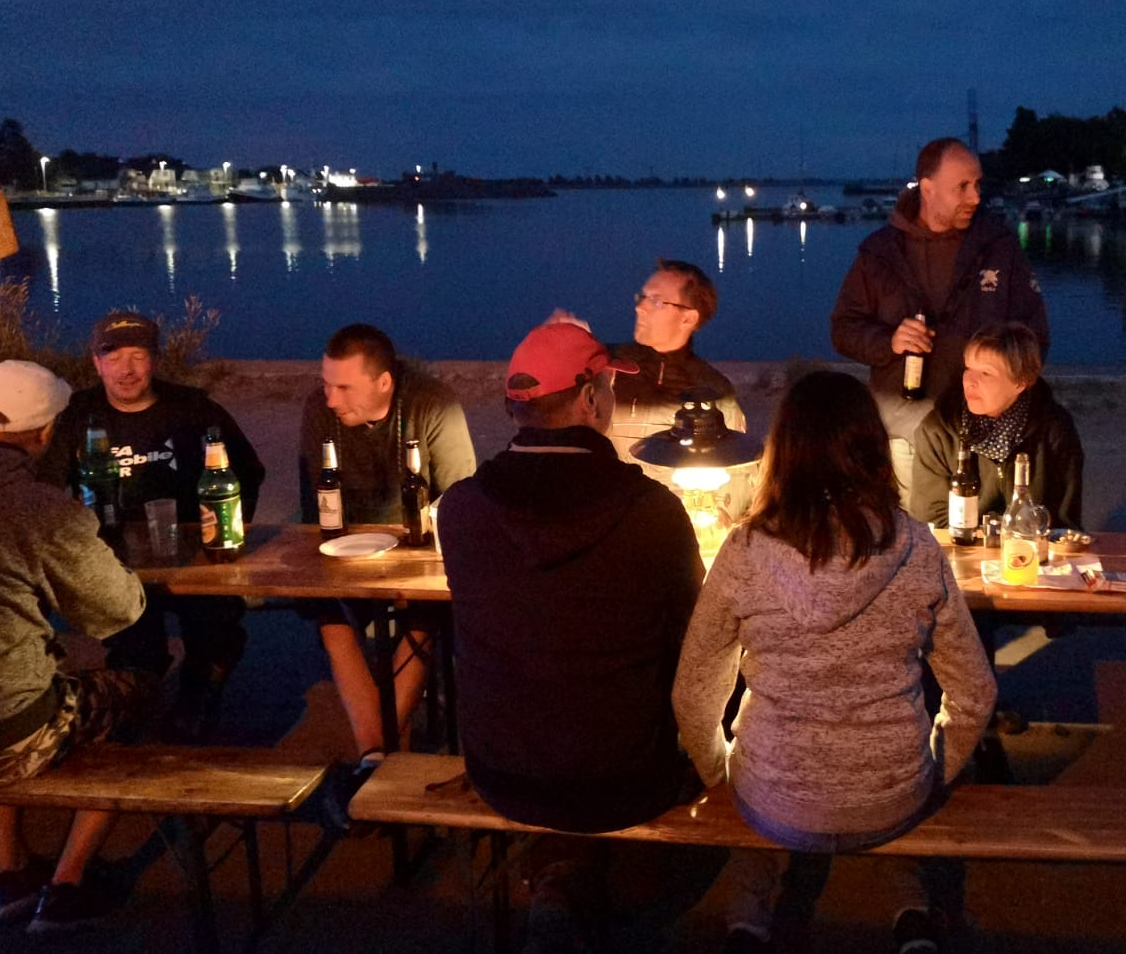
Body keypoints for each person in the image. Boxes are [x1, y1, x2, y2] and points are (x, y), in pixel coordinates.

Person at [673, 370, 994, 954]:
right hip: (894, 794)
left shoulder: (744, 551)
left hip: (773, 795)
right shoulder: (917, 546)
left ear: (782, 455)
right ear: (873, 451)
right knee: (886, 802)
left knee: (757, 790)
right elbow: (974, 691)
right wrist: (933, 770)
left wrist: (719, 772)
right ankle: (911, 917)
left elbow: (694, 693)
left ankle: (747, 924)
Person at [437, 321, 716, 952]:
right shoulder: (651, 510)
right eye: (609, 388)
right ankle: (613, 899)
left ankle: (562, 879)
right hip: (627, 778)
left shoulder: (461, 509)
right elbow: (693, 639)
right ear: (590, 399)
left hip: (502, 770)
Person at [0, 361, 153, 933]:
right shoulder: (38, 509)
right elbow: (117, 610)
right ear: (45, 434)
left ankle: (11, 874)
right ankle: (69, 883)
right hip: (1, 734)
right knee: (138, 689)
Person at [39, 310, 265, 741]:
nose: (126, 369)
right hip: (113, 559)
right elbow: (46, 489)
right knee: (134, 649)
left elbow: (248, 471)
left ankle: (198, 704)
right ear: (96, 363)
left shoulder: (193, 408)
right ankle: (135, 703)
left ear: (155, 360)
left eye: (138, 356)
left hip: (193, 554)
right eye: (114, 357)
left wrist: (230, 528)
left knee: (215, 629)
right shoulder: (80, 415)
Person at [830, 137, 1050, 499]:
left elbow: (1035, 334)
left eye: (977, 184)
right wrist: (889, 341)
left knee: (983, 529)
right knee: (913, 526)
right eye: (962, 187)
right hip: (904, 430)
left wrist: (1003, 381)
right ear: (927, 189)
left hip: (987, 434)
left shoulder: (999, 247)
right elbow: (843, 328)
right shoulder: (880, 254)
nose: (975, 197)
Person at [297, 323, 476, 765]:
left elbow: (460, 502)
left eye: (344, 387)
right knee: (327, 609)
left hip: (417, 547)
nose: (331, 399)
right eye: (326, 384)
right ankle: (382, 751)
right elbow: (315, 504)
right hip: (345, 549)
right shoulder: (319, 410)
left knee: (425, 611)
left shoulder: (431, 405)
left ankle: (376, 753)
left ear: (384, 383)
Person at [909, 321, 1084, 530]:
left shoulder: (1054, 430)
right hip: (962, 543)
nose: (970, 381)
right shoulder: (939, 429)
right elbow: (930, 519)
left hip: (1028, 545)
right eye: (968, 368)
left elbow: (1063, 521)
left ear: (1020, 383)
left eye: (986, 373)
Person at [606, 257, 746, 459]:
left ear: (688, 319)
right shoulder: (607, 366)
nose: (640, 307)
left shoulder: (714, 392)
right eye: (642, 297)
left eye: (656, 301)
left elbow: (735, 464)